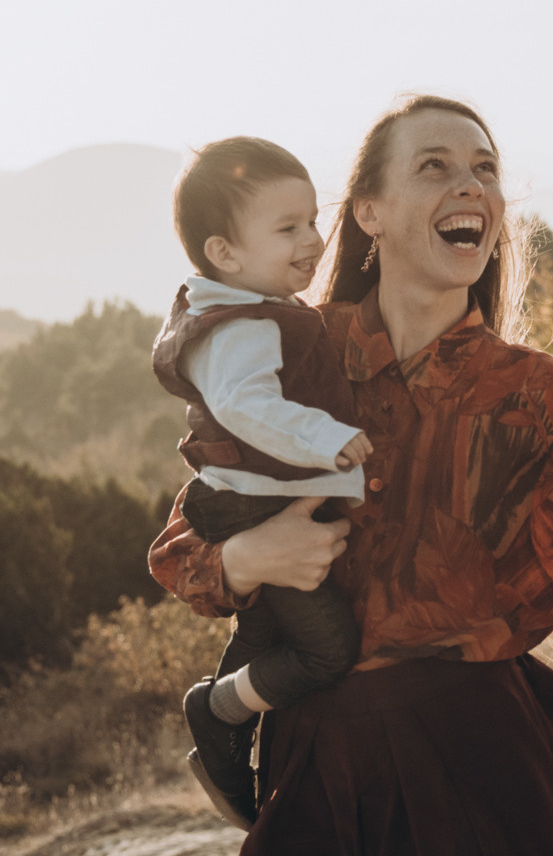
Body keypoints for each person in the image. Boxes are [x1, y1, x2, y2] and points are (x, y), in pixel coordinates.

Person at [147, 96, 553, 855]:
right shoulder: (287, 351)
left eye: (485, 169)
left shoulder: (536, 397)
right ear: (370, 211)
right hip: (315, 766)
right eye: (435, 166)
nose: (471, 185)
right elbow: (180, 543)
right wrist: (243, 560)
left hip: (487, 768)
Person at [150, 137, 374, 829]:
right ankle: (217, 709)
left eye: (312, 219)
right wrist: (329, 439)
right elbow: (248, 406)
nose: (311, 240)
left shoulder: (244, 305)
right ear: (226, 253)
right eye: (287, 229)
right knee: (327, 648)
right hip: (253, 508)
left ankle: (222, 726)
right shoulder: (243, 325)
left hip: (253, 503)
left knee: (269, 633)